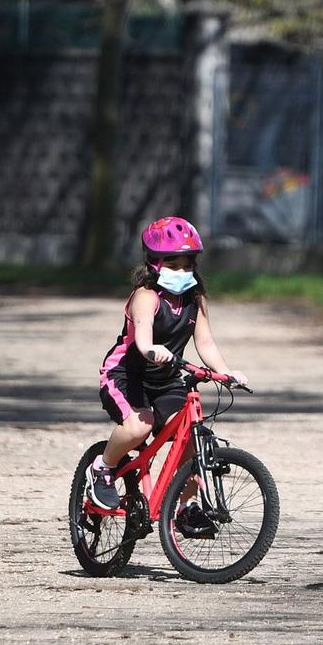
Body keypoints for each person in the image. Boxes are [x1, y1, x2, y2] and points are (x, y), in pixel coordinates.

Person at [83, 217, 246, 538]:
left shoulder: (195, 298)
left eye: (189, 264)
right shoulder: (146, 296)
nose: (182, 271)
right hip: (127, 376)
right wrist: (152, 350)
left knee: (191, 435)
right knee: (139, 424)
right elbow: (143, 339)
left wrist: (226, 372)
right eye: (174, 263)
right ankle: (101, 469)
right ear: (154, 263)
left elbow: (206, 342)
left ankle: (186, 507)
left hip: (168, 379)